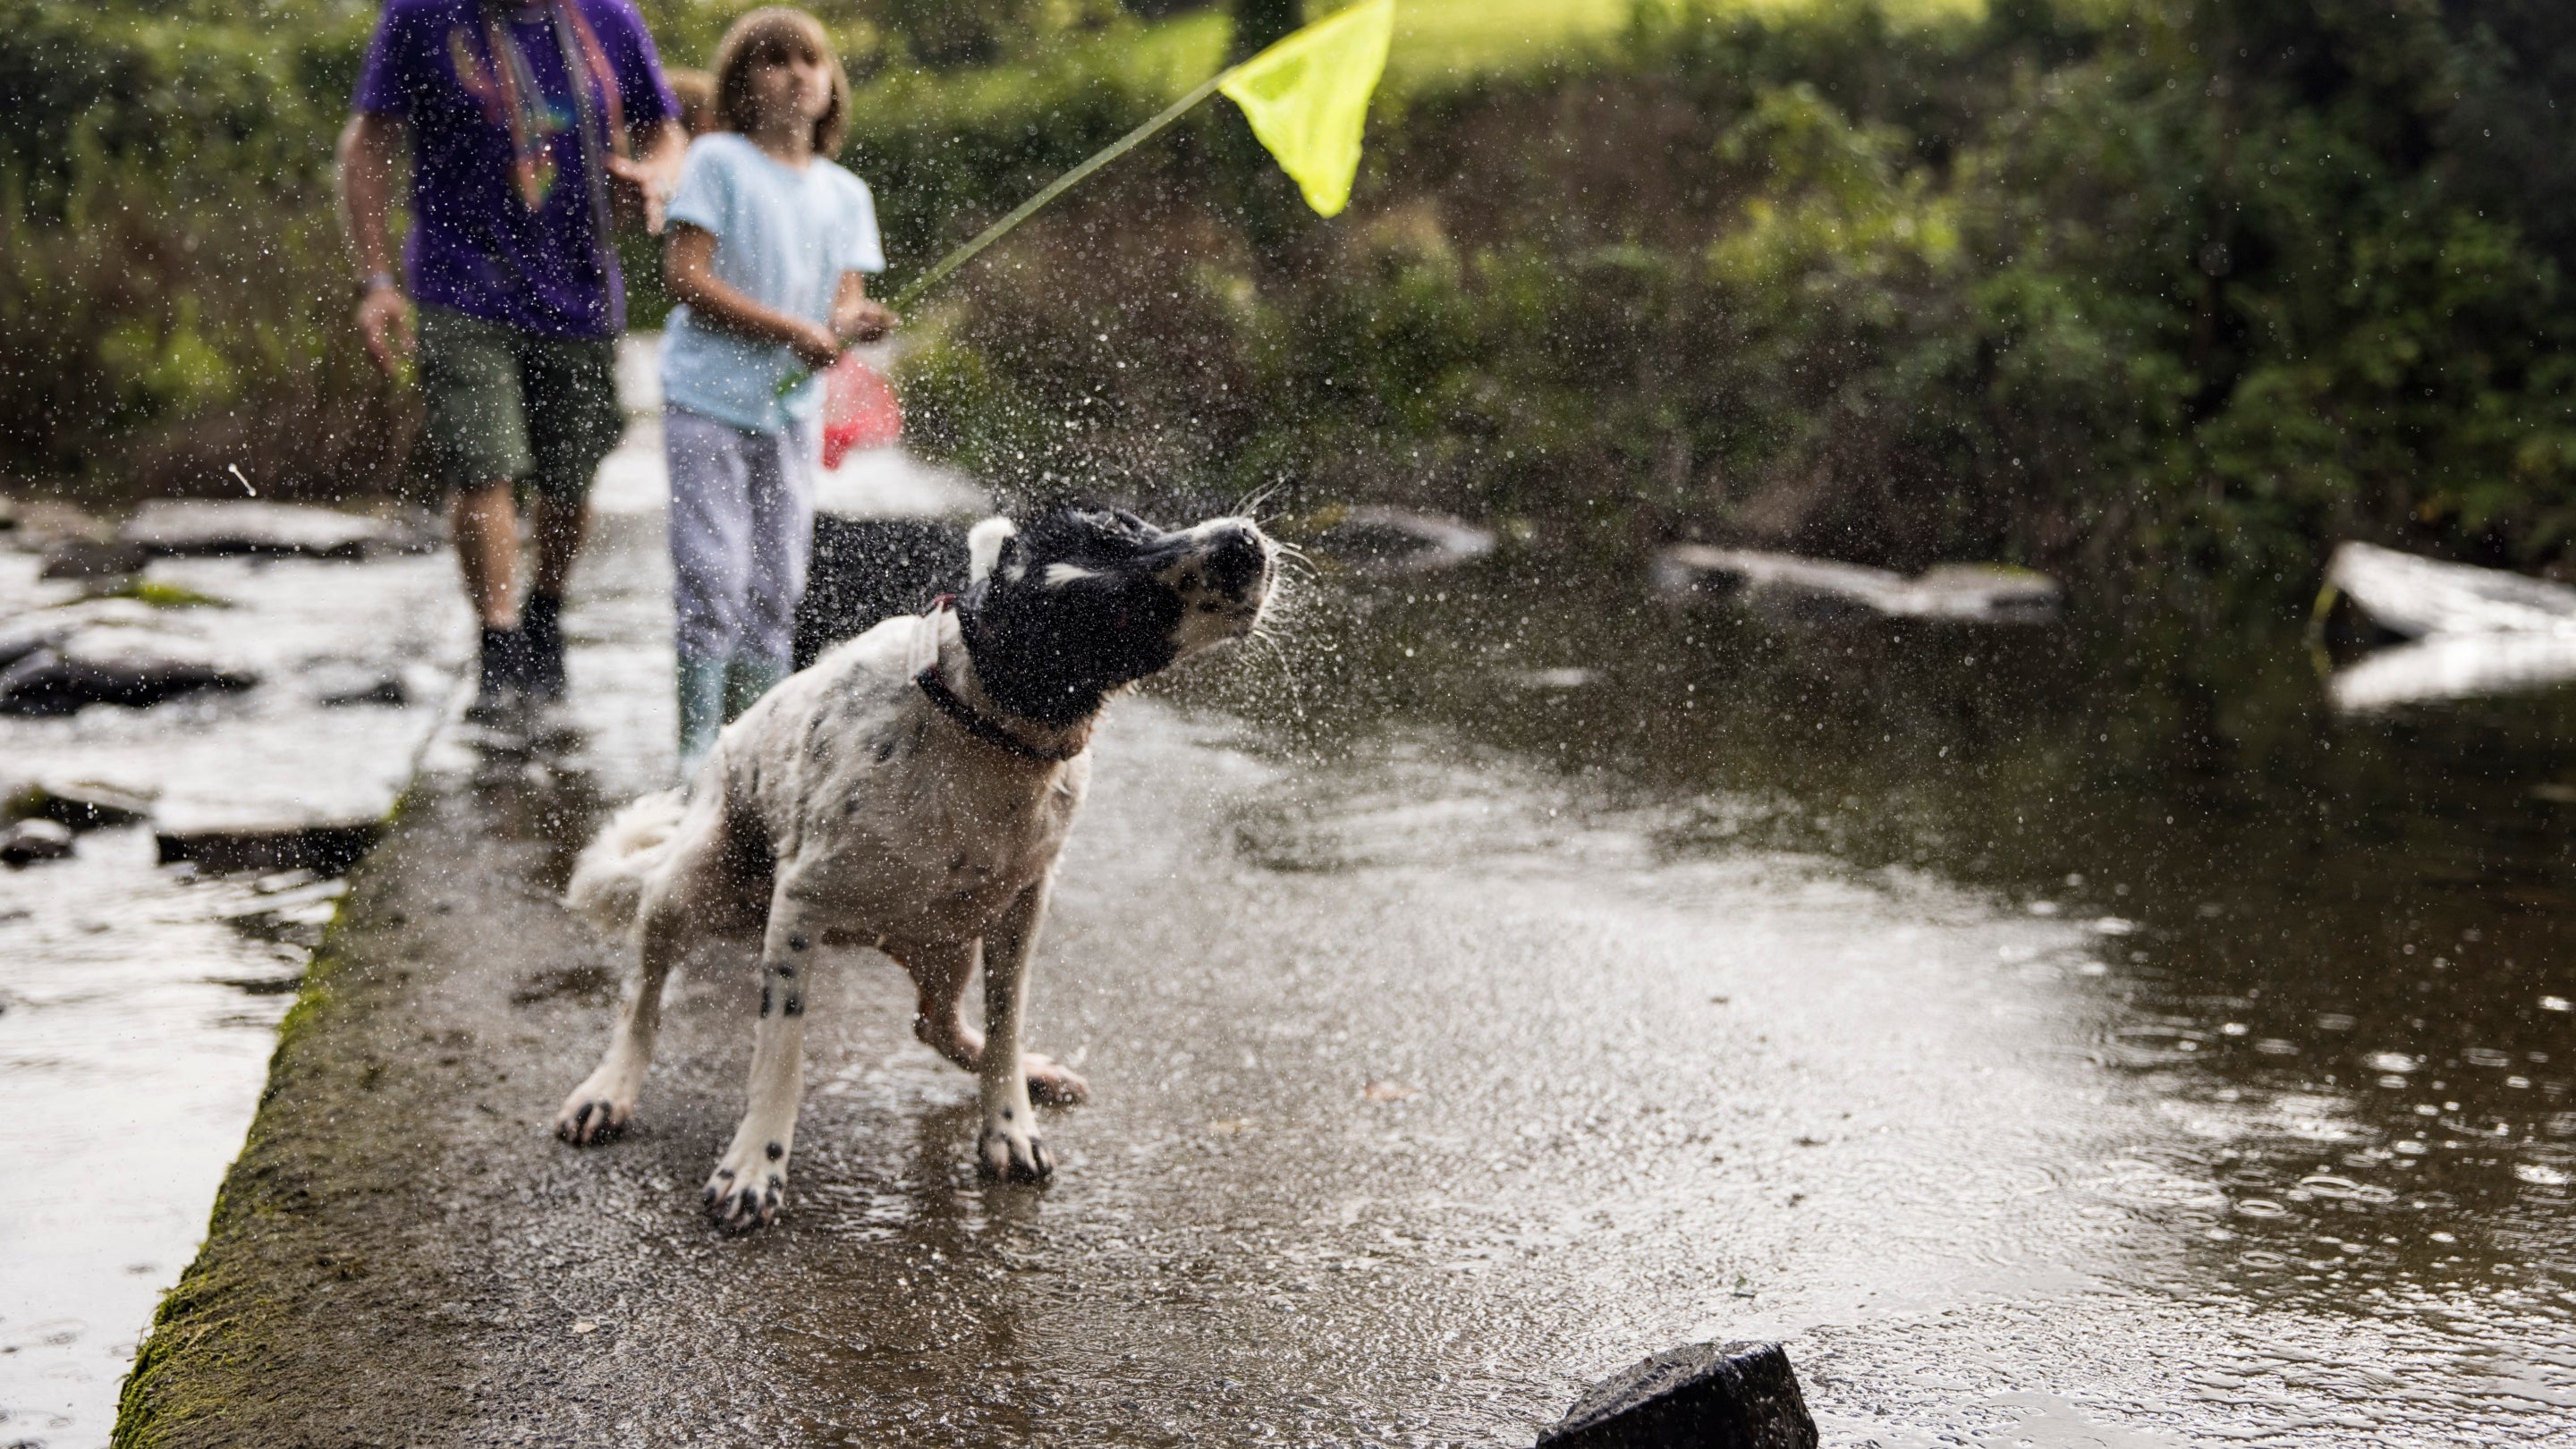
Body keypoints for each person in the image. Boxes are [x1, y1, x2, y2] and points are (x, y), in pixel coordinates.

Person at [340, 0, 684, 720]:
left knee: (571, 474)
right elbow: (369, 143)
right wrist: (376, 282)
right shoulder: (420, 16)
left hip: (581, 292)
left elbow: (667, 129)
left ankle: (545, 613)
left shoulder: (610, 19)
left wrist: (654, 176)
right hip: (456, 284)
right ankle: (498, 650)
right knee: (484, 463)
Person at [658, 7, 894, 775]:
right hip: (706, 399)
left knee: (778, 583)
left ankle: (751, 746)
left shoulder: (846, 193)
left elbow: (842, 303)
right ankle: (696, 748)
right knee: (712, 574)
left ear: (831, 86)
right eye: (775, 61)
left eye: (812, 61)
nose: (798, 74)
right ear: (742, 85)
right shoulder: (719, 163)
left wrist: (856, 323)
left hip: (789, 410)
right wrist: (792, 330)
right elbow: (685, 277)